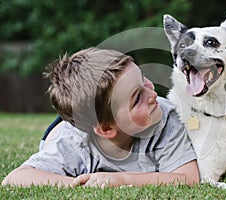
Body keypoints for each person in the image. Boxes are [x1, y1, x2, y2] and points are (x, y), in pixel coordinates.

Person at [2, 48, 199, 188]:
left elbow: (188, 178)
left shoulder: (166, 118)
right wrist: (77, 183)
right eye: (137, 98)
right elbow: (15, 179)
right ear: (107, 129)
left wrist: (122, 180)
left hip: (96, 123)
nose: (153, 94)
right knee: (62, 134)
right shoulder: (74, 143)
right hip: (70, 131)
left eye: (144, 79)